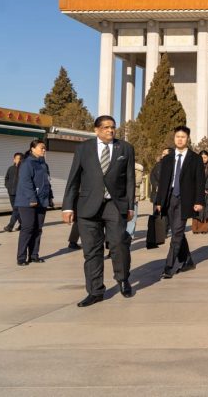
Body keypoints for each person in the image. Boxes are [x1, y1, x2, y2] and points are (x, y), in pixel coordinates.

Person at [62, 116, 135, 307]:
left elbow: (130, 179)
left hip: (114, 205)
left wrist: (130, 206)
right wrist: (68, 206)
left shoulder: (125, 148)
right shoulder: (83, 148)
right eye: (106, 127)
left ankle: (123, 279)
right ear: (96, 130)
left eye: (113, 127)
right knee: (92, 250)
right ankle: (95, 291)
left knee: (119, 243)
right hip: (88, 207)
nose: (110, 131)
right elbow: (73, 178)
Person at [155, 125, 205, 279]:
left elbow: (200, 181)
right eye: (178, 137)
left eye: (183, 137)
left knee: (177, 232)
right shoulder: (167, 158)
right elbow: (163, 182)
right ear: (174, 138)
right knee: (177, 231)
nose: (180, 139)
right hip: (169, 198)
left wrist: (199, 201)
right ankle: (188, 261)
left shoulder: (195, 158)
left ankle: (169, 266)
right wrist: (159, 201)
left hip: (186, 199)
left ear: (187, 139)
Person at [15, 140, 52, 266]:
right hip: (27, 202)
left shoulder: (43, 164)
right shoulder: (27, 163)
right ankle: (21, 257)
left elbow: (47, 182)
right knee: (28, 228)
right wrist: (32, 199)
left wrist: (50, 197)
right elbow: (25, 182)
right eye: (41, 148)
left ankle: (34, 255)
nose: (44, 150)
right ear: (32, 149)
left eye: (45, 148)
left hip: (42, 201)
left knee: (38, 229)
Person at [192, 151, 208, 234]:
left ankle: (205, 229)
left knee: (207, 210)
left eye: (205, 157)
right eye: (202, 157)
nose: (203, 159)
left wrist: (206, 187)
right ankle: (196, 228)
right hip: (197, 190)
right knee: (197, 209)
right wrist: (200, 188)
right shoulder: (194, 165)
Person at [3, 152, 23, 233]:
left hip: (20, 193)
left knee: (16, 209)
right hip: (11, 193)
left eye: (21, 159)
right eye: (17, 159)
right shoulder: (10, 168)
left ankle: (10, 226)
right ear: (14, 160)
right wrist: (8, 186)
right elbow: (6, 178)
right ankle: (22, 224)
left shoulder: (23, 169)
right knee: (16, 210)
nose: (19, 160)